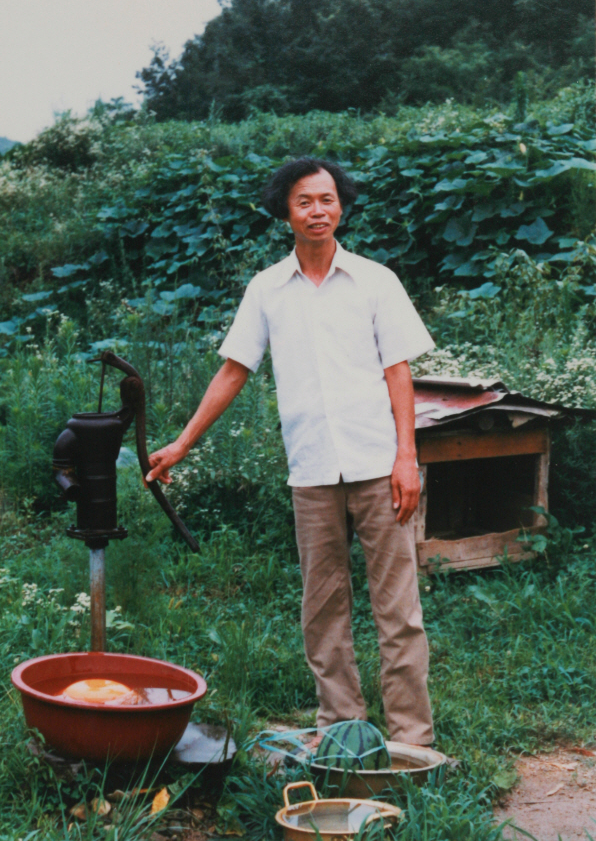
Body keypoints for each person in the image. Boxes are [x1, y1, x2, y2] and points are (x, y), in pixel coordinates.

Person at [147, 156, 434, 745]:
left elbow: (399, 372)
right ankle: (343, 728)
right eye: (305, 201)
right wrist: (181, 443)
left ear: (342, 206)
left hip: (379, 465)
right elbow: (234, 370)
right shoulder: (268, 289)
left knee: (398, 610)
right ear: (286, 211)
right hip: (311, 470)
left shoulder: (376, 280)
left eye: (327, 199)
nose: (318, 211)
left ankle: (411, 738)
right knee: (323, 606)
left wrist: (407, 457)